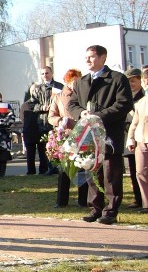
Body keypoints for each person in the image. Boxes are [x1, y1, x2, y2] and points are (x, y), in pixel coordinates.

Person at [68, 45, 134, 224]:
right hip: (88, 136)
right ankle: (95, 208)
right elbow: (72, 104)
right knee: (92, 172)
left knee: (111, 173)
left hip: (109, 134)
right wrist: (81, 113)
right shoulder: (81, 82)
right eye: (86, 57)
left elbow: (123, 104)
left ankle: (111, 210)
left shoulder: (116, 78)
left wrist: (99, 116)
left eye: (92, 57)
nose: (87, 60)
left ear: (103, 58)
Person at [48, 68, 88, 208]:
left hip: (83, 135)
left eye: (78, 81)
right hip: (65, 136)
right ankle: (61, 201)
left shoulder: (84, 95)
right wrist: (60, 121)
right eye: (72, 82)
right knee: (64, 170)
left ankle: (83, 200)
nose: (75, 85)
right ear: (67, 82)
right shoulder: (58, 97)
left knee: (83, 167)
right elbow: (50, 117)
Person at [29, 66, 63, 175]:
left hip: (57, 121)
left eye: (47, 73)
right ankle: (48, 168)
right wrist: (42, 107)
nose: (45, 75)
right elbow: (32, 105)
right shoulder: (38, 89)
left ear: (52, 73)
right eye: (43, 73)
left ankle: (58, 167)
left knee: (58, 144)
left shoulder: (59, 87)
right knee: (45, 146)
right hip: (43, 122)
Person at [126, 68, 148, 213]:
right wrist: (130, 138)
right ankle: (146, 204)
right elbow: (135, 122)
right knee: (140, 172)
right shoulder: (141, 102)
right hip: (141, 141)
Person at [21, 88, 46, 175]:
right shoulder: (25, 104)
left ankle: (43, 170)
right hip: (29, 130)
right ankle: (31, 171)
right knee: (30, 153)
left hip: (40, 129)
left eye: (37, 90)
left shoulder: (42, 103)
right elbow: (22, 118)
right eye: (33, 90)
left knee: (42, 151)